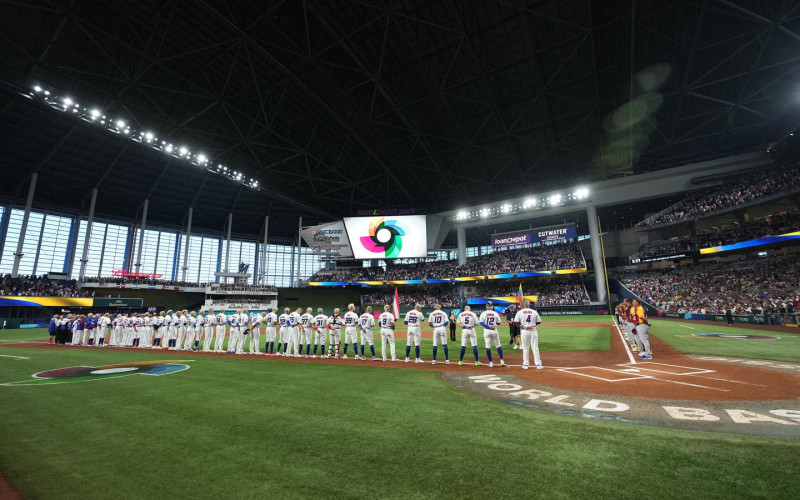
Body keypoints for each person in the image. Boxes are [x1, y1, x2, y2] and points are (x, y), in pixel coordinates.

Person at [515, 300, 542, 370]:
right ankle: (538, 364)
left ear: (523, 305)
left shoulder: (520, 312)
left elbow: (515, 323)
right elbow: (539, 322)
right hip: (533, 331)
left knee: (525, 348)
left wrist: (523, 326)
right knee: (535, 348)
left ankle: (526, 364)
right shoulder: (534, 311)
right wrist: (532, 326)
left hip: (524, 331)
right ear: (529, 305)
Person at [480, 302, 505, 368]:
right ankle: (502, 361)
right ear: (492, 306)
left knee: (488, 347)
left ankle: (491, 362)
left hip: (487, 331)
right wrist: (493, 325)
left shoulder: (483, 313)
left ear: (486, 306)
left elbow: (481, 323)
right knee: (498, 345)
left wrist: (488, 327)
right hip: (494, 330)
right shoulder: (495, 313)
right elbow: (499, 323)